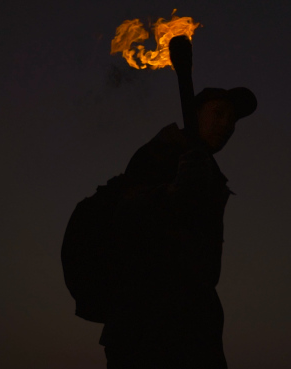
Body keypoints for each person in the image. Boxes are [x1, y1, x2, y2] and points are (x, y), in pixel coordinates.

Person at [99, 87, 257, 369]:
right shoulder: (160, 151)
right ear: (195, 115)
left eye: (232, 120)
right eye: (218, 113)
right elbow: (120, 214)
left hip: (196, 327)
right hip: (146, 325)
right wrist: (171, 192)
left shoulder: (211, 175)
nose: (226, 125)